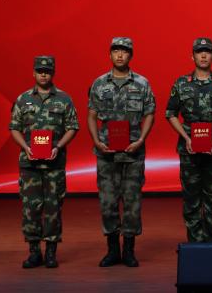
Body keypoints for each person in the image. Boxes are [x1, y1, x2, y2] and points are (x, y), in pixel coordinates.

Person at [86, 37, 156, 268]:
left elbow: (150, 113)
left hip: (132, 153)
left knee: (132, 203)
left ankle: (129, 250)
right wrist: (96, 141)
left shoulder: (142, 83)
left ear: (130, 55)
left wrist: (141, 140)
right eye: (115, 50)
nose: (119, 55)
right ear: (110, 54)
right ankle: (112, 250)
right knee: (107, 202)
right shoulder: (99, 84)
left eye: (124, 51)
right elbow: (91, 115)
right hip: (106, 153)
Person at [165, 37, 212, 242]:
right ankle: (194, 247)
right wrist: (186, 137)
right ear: (193, 56)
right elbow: (170, 113)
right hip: (188, 150)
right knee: (191, 200)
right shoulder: (181, 83)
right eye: (199, 52)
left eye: (207, 52)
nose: (204, 55)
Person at [8, 55, 79, 268]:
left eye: (47, 71)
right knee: (30, 209)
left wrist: (58, 146)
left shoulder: (64, 99)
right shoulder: (23, 99)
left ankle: (50, 252)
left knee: (53, 208)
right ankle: (33, 252)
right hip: (29, 164)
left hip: (54, 164)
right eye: (40, 71)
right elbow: (14, 127)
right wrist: (25, 147)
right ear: (34, 73)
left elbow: (73, 127)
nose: (43, 74)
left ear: (53, 73)